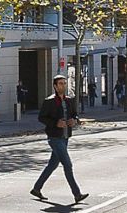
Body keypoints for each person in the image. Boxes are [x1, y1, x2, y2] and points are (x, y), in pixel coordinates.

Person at [31, 74, 86, 204]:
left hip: (65, 136)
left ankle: (36, 188)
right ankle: (77, 194)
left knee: (53, 164)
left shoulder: (69, 100)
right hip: (55, 138)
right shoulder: (49, 101)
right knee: (68, 164)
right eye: (60, 84)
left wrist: (74, 120)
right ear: (55, 86)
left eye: (64, 83)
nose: (63, 86)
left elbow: (75, 114)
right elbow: (42, 117)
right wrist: (56, 123)